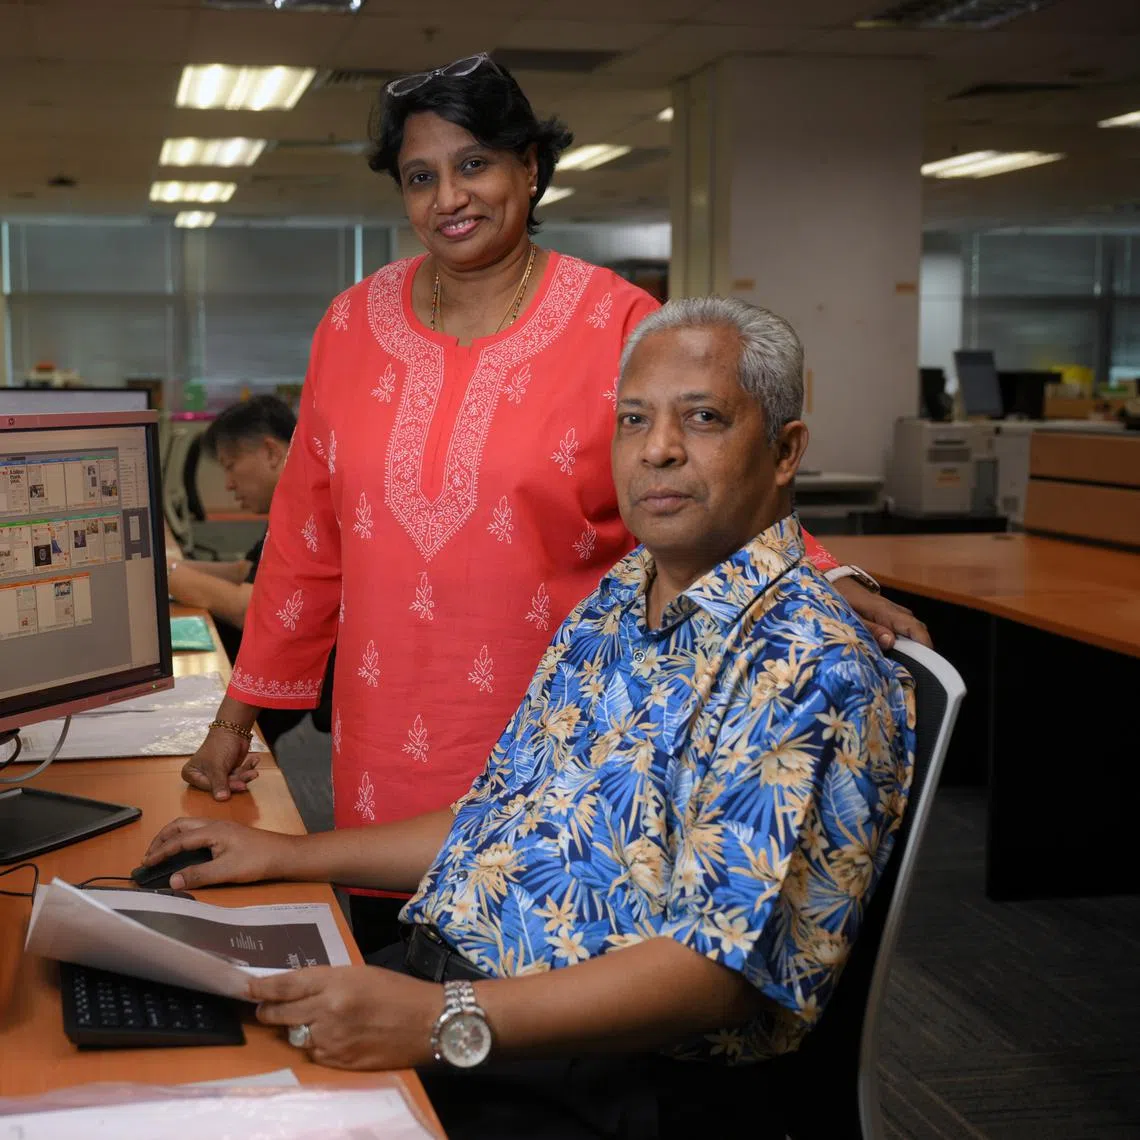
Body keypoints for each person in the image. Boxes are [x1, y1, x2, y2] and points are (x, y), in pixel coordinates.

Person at [183, 53, 927, 954]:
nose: (449, 197)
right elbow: (306, 542)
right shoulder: (350, 326)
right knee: (387, 956)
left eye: (474, 164)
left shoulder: (618, 322)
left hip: (557, 730)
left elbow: (706, 478)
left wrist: (821, 575)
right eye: (420, 177)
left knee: (538, 947)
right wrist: (235, 723)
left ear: (530, 167)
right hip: (385, 730)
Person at [143, 298, 916, 1140]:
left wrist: (437, 1020)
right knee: (169, 1056)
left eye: (702, 418)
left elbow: (711, 975)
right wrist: (287, 855)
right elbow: (496, 818)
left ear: (786, 451)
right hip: (461, 994)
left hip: (601, 1068)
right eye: (633, 419)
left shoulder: (805, 662)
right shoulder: (619, 601)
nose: (657, 448)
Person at [166, 395, 332, 748]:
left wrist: (167, 576)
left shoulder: (310, 505)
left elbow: (253, 607)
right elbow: (247, 570)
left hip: (300, 675)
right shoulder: (296, 497)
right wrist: (170, 565)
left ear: (271, 452)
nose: (228, 483)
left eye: (230, 466)